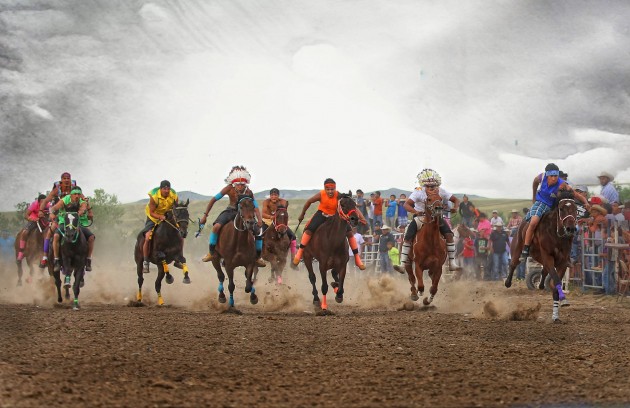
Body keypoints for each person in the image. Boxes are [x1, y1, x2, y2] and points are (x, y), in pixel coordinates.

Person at [394, 169, 461, 273]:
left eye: (433, 186)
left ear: (437, 185)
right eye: (428, 186)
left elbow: (456, 200)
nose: (431, 188)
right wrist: (415, 211)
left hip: (437, 217)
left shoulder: (442, 191)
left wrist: (455, 208)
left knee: (449, 235)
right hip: (420, 217)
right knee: (407, 237)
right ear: (424, 186)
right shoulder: (418, 192)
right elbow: (406, 204)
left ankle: (452, 263)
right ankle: (403, 264)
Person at [519, 163, 589, 262]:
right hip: (541, 203)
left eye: (555, 176)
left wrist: (586, 202)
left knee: (565, 224)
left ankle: (566, 254)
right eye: (551, 176)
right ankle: (526, 248)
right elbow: (535, 183)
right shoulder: (540, 177)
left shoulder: (563, 184)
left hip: (553, 206)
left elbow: (577, 195)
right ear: (547, 175)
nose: (553, 178)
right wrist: (534, 196)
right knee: (534, 221)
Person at [292, 178, 366, 269]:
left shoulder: (338, 195)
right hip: (322, 214)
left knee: (350, 233)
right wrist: (302, 214)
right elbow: (309, 201)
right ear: (325, 188)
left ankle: (357, 258)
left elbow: (352, 207)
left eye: (332, 189)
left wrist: (362, 218)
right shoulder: (321, 194)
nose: (330, 191)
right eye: (328, 189)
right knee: (309, 229)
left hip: (335, 216)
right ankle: (300, 252)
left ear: (335, 188)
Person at [200, 166, 265, 267]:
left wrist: (259, 219)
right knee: (216, 227)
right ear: (234, 183)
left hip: (245, 213)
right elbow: (214, 199)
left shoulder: (248, 192)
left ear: (245, 183)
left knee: (258, 231)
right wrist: (205, 215)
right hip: (230, 211)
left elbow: (255, 206)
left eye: (242, 184)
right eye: (238, 184)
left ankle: (257, 257)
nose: (240, 186)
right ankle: (211, 252)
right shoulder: (229, 189)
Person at [48, 186, 88, 280]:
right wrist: (51, 213)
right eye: (75, 194)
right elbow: (53, 208)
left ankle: (87, 259)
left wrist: (80, 212)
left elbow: (83, 207)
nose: (77, 196)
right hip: (64, 222)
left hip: (76, 223)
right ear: (71, 194)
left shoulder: (82, 201)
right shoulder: (64, 200)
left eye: (79, 194)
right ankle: (56, 259)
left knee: (89, 237)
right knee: (56, 236)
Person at [140, 180, 180, 274]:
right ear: (160, 189)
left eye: (168, 189)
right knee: (148, 237)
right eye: (164, 189)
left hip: (167, 216)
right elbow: (151, 212)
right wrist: (159, 217)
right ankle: (146, 261)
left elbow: (175, 209)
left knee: (179, 234)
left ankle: (178, 258)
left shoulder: (174, 195)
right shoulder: (154, 197)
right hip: (153, 217)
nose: (167, 191)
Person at [39, 172, 76, 268]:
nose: (67, 180)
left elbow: (83, 199)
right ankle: (45, 257)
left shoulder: (74, 189)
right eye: (64, 178)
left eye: (68, 178)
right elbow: (46, 201)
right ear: (61, 180)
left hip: (72, 216)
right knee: (50, 231)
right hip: (58, 215)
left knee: (86, 233)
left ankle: (87, 258)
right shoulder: (57, 190)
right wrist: (40, 210)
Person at [261, 188, 297, 260]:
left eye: (275, 195)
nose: (274, 197)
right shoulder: (266, 202)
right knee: (259, 236)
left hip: (279, 223)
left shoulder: (283, 202)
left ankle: (293, 258)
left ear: (278, 196)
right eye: (272, 195)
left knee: (293, 236)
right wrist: (271, 217)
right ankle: (257, 256)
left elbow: (283, 211)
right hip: (267, 221)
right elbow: (263, 214)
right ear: (270, 196)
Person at [16, 194, 46, 262]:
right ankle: (21, 252)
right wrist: (33, 219)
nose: (43, 204)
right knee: (25, 232)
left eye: (45, 202)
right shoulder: (34, 204)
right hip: (34, 220)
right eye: (42, 202)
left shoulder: (48, 205)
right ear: (39, 202)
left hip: (44, 220)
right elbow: (26, 215)